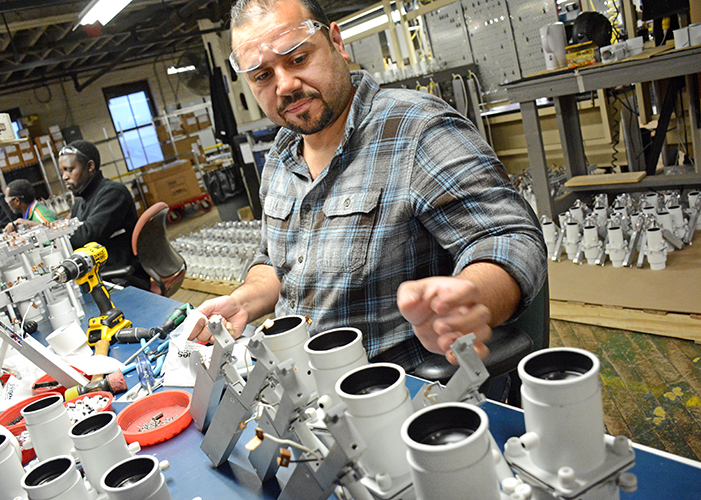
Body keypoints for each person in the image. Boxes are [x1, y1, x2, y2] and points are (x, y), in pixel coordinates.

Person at [190, 0, 547, 371]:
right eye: (263, 76)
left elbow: (510, 238)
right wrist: (243, 302)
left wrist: (472, 298)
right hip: (299, 387)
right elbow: (274, 263)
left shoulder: (416, 129)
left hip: (393, 390)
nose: (285, 86)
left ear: (336, 43)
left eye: (298, 59)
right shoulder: (281, 156)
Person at [58, 140, 151, 290]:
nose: (64, 177)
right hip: (101, 275)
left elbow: (86, 236)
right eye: (62, 171)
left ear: (90, 166)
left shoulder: (113, 194)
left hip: (122, 277)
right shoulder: (80, 202)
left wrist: (54, 232)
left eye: (69, 169)